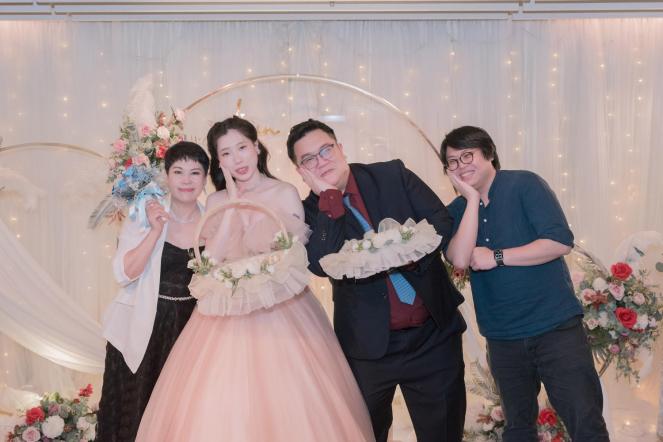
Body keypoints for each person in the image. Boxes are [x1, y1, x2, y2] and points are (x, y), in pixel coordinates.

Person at [136, 116, 374, 442]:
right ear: (219, 162)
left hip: (284, 312)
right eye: (226, 153)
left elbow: (296, 259)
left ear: (257, 148)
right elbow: (210, 262)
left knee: (293, 401)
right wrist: (233, 205)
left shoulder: (284, 193)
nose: (238, 159)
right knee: (220, 404)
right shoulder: (216, 202)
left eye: (242, 148)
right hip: (225, 318)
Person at [287, 119, 467, 442]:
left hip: (433, 337)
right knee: (367, 435)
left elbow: (440, 220)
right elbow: (320, 264)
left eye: (325, 150)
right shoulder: (310, 211)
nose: (321, 161)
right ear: (300, 171)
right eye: (308, 159)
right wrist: (329, 199)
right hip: (367, 348)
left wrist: (406, 252)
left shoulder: (391, 175)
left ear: (340, 148)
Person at [441, 125, 609, 441]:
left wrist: (497, 256)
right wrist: (472, 199)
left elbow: (559, 242)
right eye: (453, 161)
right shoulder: (458, 211)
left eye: (468, 156)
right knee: (518, 429)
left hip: (555, 328)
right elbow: (459, 259)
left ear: (489, 153)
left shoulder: (524, 184)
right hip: (502, 337)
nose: (462, 165)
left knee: (585, 423)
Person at [97, 141, 210, 441]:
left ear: (205, 178)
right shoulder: (143, 214)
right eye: (178, 171)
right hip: (143, 322)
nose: (186, 180)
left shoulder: (212, 220)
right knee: (133, 410)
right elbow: (124, 274)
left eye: (195, 172)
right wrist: (155, 231)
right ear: (167, 176)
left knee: (178, 413)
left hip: (189, 329)